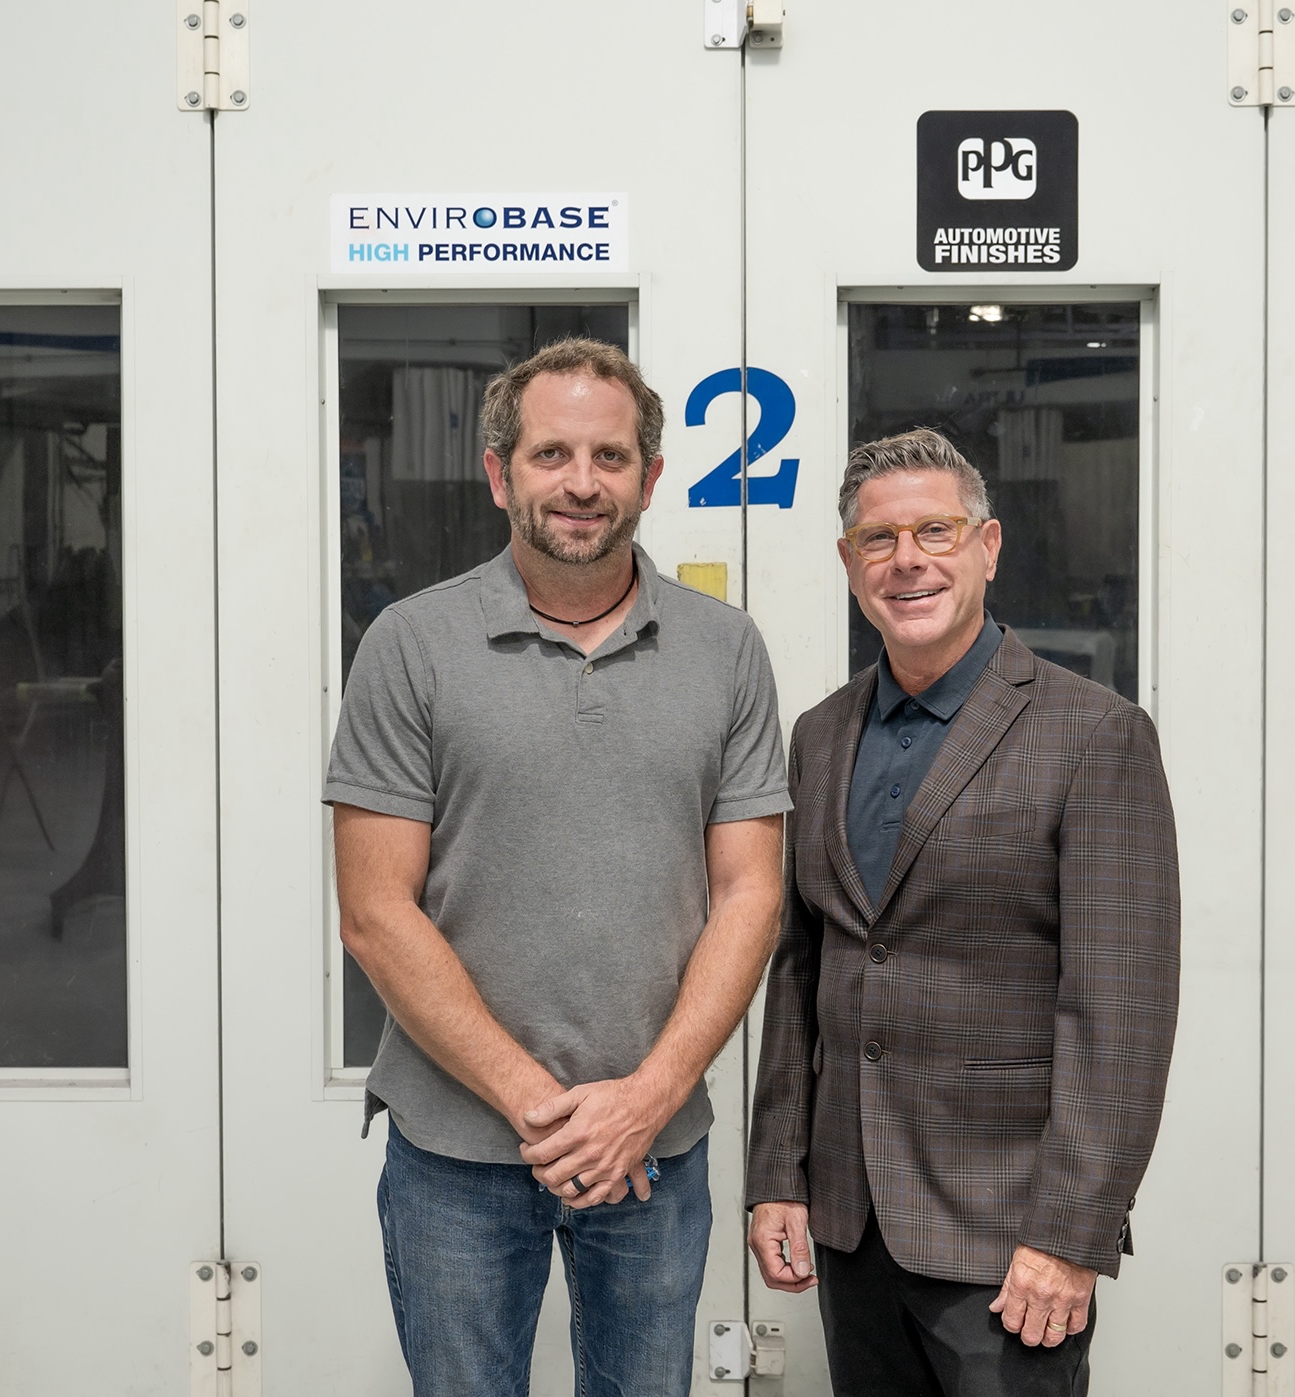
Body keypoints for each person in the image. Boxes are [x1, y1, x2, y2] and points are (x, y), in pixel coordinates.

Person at [326, 338, 791, 1397]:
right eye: (551, 454)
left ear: (651, 477)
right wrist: (545, 1106)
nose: (582, 482)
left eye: (611, 457)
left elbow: (752, 893)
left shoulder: (726, 650)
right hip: (455, 1151)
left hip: (655, 1148)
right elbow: (374, 911)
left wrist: (647, 1097)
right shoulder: (412, 644)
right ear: (500, 473)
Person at [745, 428, 1181, 1396]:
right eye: (878, 538)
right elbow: (799, 966)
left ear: (987, 546)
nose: (907, 560)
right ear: (849, 560)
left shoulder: (1094, 735)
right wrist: (779, 1169)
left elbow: (1121, 1014)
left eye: (934, 531)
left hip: (1006, 1233)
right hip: (851, 1219)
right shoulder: (821, 735)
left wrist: (1071, 1234)